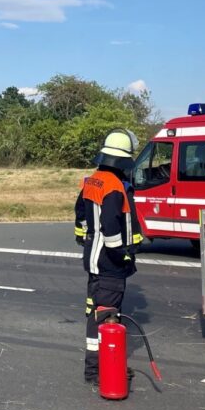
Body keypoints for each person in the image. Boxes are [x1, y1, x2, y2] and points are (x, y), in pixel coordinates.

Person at [74, 129, 139, 385]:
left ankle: (104, 366)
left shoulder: (93, 180)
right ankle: (99, 371)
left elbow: (80, 213)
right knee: (106, 316)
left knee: (97, 312)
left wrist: (85, 237)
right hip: (109, 263)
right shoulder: (113, 187)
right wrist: (122, 256)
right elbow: (112, 227)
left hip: (94, 259)